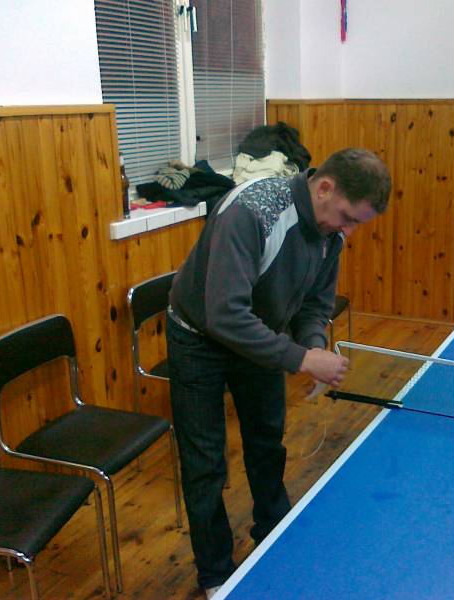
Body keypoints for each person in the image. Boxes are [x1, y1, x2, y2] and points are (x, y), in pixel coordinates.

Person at [166, 148, 392, 597]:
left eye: (357, 224)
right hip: (198, 339)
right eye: (348, 218)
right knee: (204, 463)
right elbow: (224, 315)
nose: (349, 231)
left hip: (262, 333)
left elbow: (315, 304)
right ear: (324, 188)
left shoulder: (331, 231)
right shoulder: (251, 213)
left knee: (267, 443)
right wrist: (302, 359)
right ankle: (215, 575)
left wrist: (313, 344)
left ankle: (274, 538)